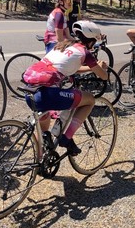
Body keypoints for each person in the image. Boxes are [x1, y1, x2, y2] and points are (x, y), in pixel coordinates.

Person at [21, 20, 109, 155]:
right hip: (48, 94)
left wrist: (89, 69)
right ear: (90, 40)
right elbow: (103, 77)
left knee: (43, 128)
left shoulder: (62, 45)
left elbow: (68, 67)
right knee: (89, 99)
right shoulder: (84, 52)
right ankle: (66, 138)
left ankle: (40, 163)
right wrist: (101, 67)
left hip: (31, 90)